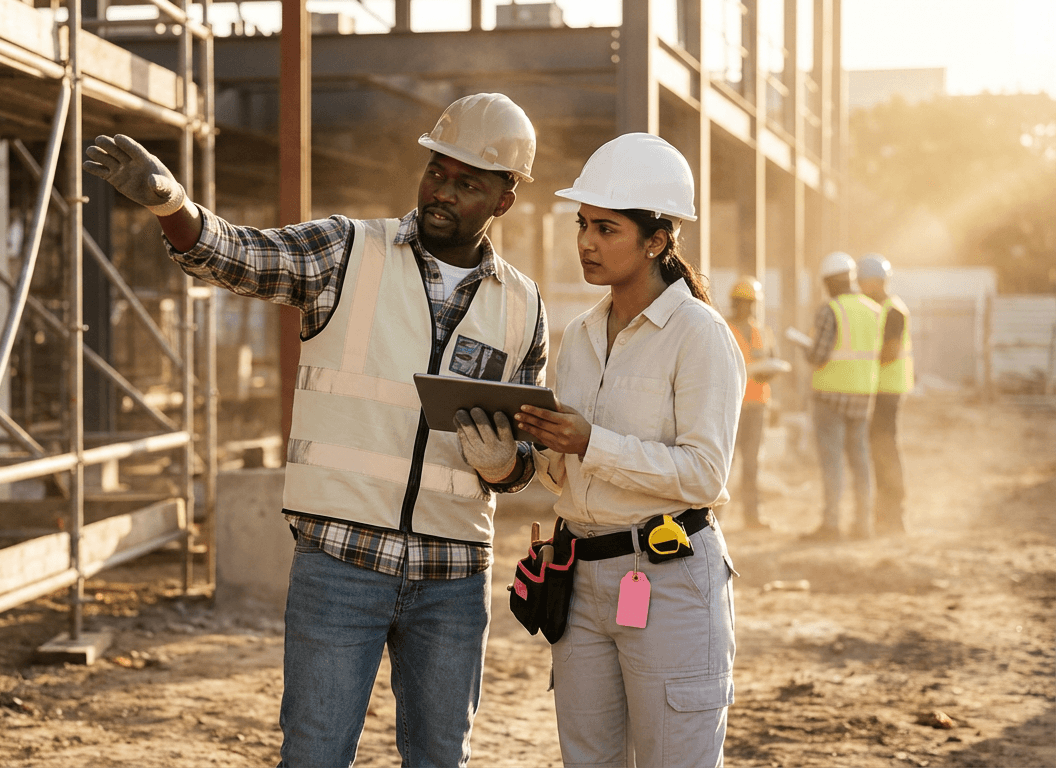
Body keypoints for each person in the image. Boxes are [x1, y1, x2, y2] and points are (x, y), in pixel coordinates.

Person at [84, 93, 548, 767]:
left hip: (452, 577)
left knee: (443, 757)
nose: (443, 192)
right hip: (341, 564)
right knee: (315, 755)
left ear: (504, 201)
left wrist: (509, 466)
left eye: (468, 183)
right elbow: (237, 255)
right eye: (437, 173)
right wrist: (172, 207)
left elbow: (529, 446)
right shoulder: (348, 250)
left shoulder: (524, 305)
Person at [514, 133, 744, 768]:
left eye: (607, 228)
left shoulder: (700, 336)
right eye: (583, 224)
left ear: (657, 240)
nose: (586, 242)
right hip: (580, 578)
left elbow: (704, 475)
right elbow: (571, 475)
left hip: (668, 578)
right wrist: (527, 447)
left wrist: (592, 441)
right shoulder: (581, 335)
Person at [802, 252, 883, 541]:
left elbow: (819, 356)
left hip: (831, 395)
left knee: (833, 462)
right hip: (863, 394)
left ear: (828, 282)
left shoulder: (830, 310)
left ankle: (832, 524)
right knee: (860, 460)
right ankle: (863, 524)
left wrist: (806, 348)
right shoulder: (873, 309)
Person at [858, 253, 912, 533]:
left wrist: (861, 362)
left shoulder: (892, 310)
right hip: (878, 390)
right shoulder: (879, 308)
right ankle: (885, 512)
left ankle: (894, 512)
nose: (859, 287)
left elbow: (889, 353)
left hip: (887, 391)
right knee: (879, 450)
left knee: (884, 449)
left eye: (863, 281)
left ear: (875, 282)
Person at [726, 276, 777, 530]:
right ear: (735, 303)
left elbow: (771, 360)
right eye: (744, 302)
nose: (748, 307)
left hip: (757, 404)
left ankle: (752, 516)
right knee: (725, 462)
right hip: (731, 406)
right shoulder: (722, 329)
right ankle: (716, 516)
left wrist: (769, 371)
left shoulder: (762, 331)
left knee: (752, 462)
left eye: (751, 303)